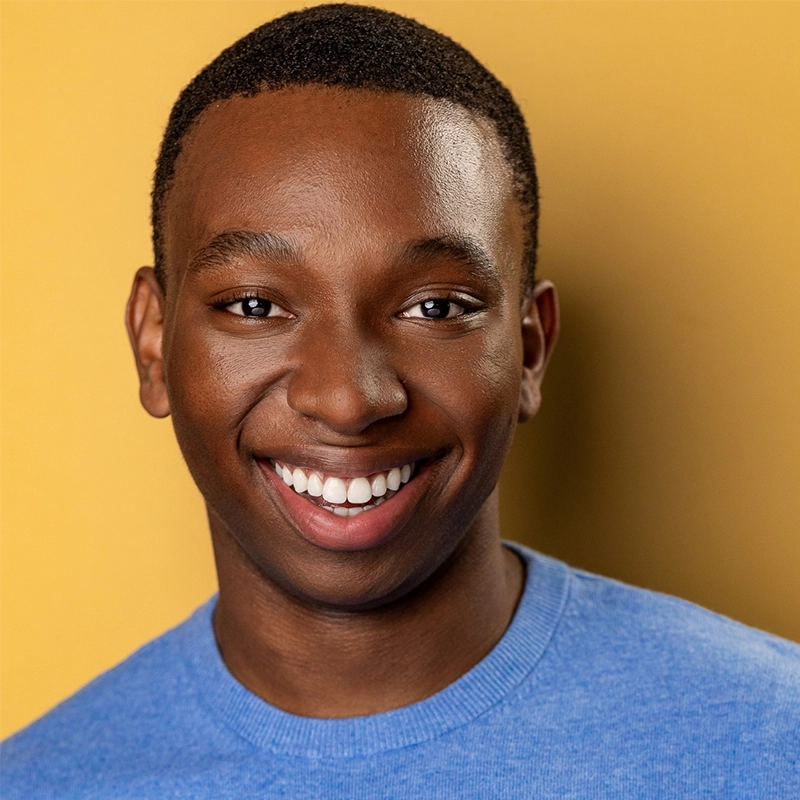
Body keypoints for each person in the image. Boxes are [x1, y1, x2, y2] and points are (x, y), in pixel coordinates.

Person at [2, 4, 798, 797]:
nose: (348, 400)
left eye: (437, 308)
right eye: (254, 306)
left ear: (530, 348)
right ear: (152, 343)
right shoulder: (40, 782)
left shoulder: (771, 739)